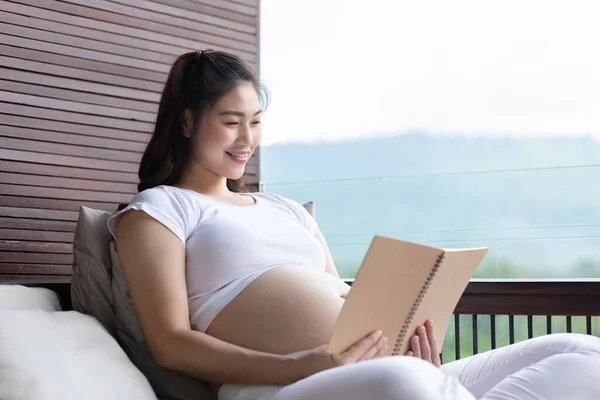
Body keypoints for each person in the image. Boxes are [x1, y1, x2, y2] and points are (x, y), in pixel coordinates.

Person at [108, 49, 600, 400]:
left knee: (583, 352)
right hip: (283, 383)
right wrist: (297, 366)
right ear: (188, 121)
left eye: (256, 121)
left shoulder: (286, 209)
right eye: (231, 121)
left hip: (384, 377)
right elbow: (169, 343)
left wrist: (410, 346)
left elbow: (342, 300)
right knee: (408, 385)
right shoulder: (160, 210)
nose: (247, 138)